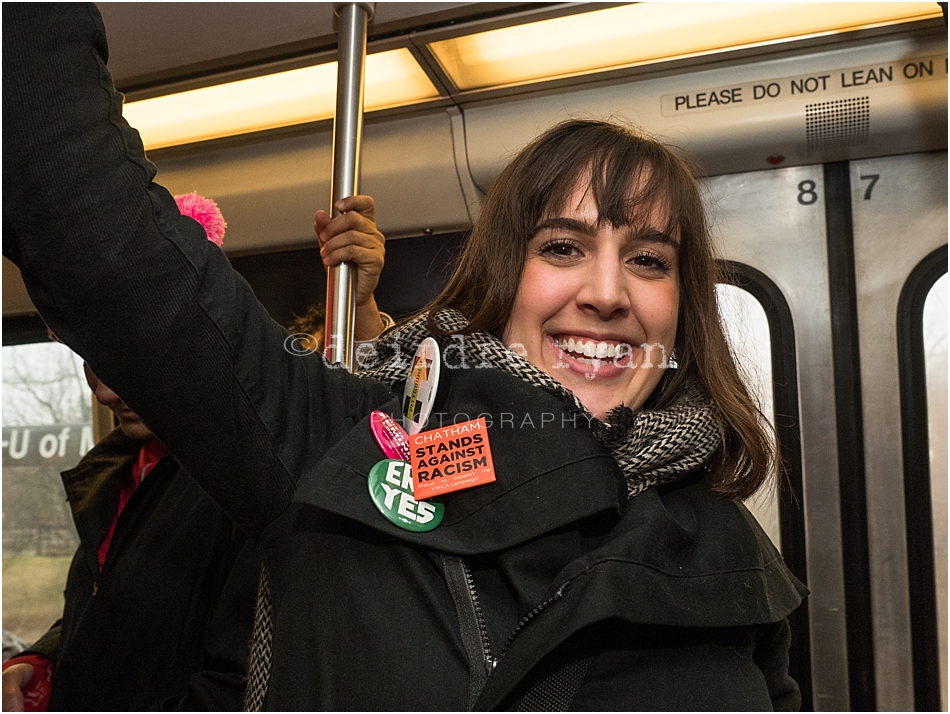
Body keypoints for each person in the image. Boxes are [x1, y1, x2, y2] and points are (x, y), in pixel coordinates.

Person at [4, 5, 806, 711]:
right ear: (502, 278)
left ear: (683, 306)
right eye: (563, 246)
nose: (606, 291)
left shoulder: (729, 547)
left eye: (649, 260)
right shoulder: (342, 453)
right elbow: (97, 237)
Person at [0, 199, 385, 711]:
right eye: (92, 366)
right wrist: (46, 659)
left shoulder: (241, 470)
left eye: (125, 364)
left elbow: (239, 676)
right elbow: (106, 605)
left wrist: (358, 313)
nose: (107, 394)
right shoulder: (112, 471)